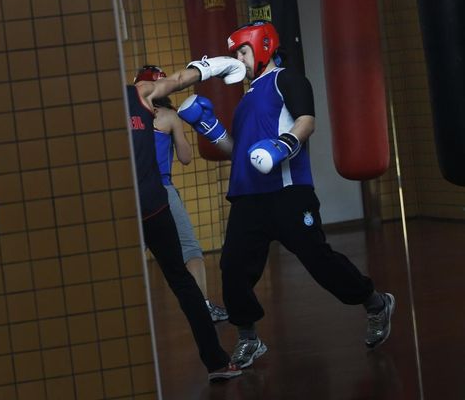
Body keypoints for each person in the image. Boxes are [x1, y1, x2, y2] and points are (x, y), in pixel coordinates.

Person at [176, 20, 396, 369]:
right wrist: (210, 127)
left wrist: (282, 145)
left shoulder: (287, 80)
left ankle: (375, 302)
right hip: (248, 196)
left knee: (317, 260)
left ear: (263, 47)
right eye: (236, 54)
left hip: (288, 192)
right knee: (233, 267)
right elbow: (243, 153)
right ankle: (249, 338)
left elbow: (306, 121)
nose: (239, 61)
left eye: (243, 52)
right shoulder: (246, 100)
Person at [126, 58, 245, 381]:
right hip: (149, 203)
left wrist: (213, 67)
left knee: (163, 278)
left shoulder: (119, 100)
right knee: (183, 268)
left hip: (137, 208)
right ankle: (216, 360)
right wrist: (216, 66)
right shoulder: (143, 99)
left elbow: (178, 80)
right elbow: (186, 156)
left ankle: (212, 361)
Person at [134, 65, 229, 323]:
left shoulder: (130, 120)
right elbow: (186, 158)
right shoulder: (169, 117)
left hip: (133, 194)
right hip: (162, 190)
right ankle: (204, 307)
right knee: (189, 248)